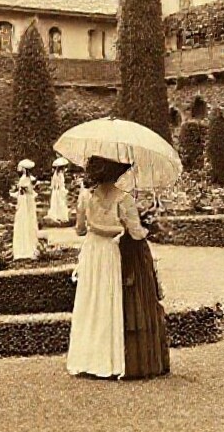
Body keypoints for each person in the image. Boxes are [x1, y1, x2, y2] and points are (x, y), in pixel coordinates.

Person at [68, 156, 169, 379]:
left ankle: (86, 358)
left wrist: (96, 226)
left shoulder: (86, 196)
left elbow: (80, 230)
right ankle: (109, 359)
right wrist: (147, 226)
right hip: (110, 252)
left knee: (90, 301)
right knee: (108, 302)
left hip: (92, 251)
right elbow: (135, 232)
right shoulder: (123, 199)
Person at [12, 159, 39, 260]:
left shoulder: (23, 179)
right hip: (29, 201)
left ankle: (24, 248)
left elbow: (22, 193)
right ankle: (29, 245)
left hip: (24, 202)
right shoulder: (30, 178)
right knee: (29, 221)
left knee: (24, 220)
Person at [47, 157, 70, 223]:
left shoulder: (55, 174)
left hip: (55, 191)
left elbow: (53, 184)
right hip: (59, 190)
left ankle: (57, 216)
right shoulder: (60, 175)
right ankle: (61, 216)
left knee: (56, 203)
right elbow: (61, 184)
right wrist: (64, 190)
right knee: (61, 203)